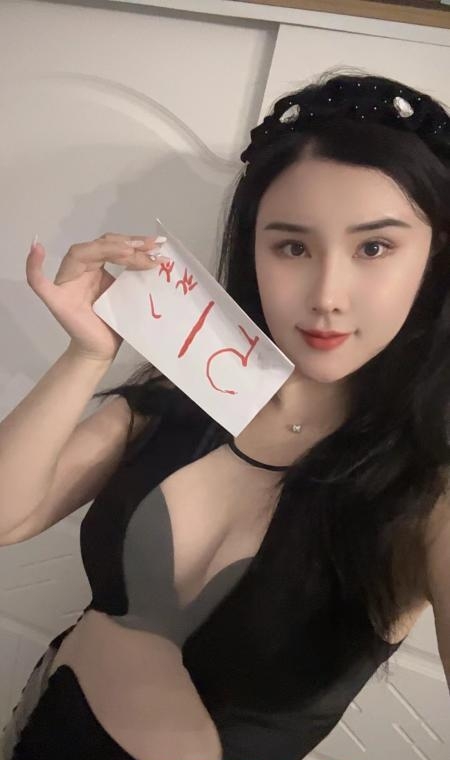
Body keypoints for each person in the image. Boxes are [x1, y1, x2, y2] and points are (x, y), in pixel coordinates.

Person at [1, 65, 449, 760]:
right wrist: (85, 355)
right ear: (253, 248)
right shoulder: (174, 400)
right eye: (292, 246)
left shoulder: (428, 492)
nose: (327, 295)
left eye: (374, 247)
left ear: (436, 256)